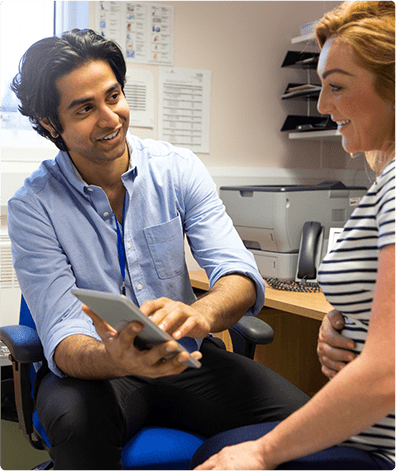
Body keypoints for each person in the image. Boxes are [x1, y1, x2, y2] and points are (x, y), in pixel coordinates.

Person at [8, 29, 314, 470]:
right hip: (96, 369)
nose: (110, 118)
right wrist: (112, 357)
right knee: (77, 428)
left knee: (306, 431)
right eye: (85, 109)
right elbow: (61, 330)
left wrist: (204, 313)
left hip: (184, 355)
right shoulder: (33, 206)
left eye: (113, 96)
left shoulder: (178, 170)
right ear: (51, 125)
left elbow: (238, 273)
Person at [191, 1, 395, 470]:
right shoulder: (385, 178)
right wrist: (344, 322)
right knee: (216, 448)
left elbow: (386, 373)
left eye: (337, 86)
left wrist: (262, 454)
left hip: (386, 449)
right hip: (364, 434)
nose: (323, 106)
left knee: (225, 454)